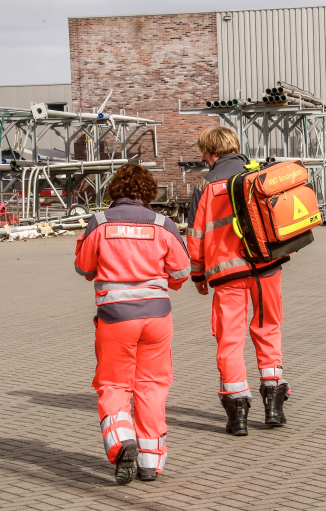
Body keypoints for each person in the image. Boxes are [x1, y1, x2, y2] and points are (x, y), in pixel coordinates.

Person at [74, 163, 190, 485]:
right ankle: (150, 463)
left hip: (115, 318)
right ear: (148, 192)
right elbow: (182, 272)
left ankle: (122, 440)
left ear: (115, 191)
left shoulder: (99, 222)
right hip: (157, 317)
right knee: (152, 387)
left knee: (114, 385)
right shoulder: (162, 224)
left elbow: (84, 268)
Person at [186, 126, 291, 437]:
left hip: (227, 274)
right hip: (267, 268)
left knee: (229, 340)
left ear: (212, 151)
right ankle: (273, 405)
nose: (203, 159)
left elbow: (195, 235)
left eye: (203, 152)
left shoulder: (205, 185)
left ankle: (237, 413)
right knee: (268, 329)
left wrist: (196, 273)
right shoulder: (257, 174)